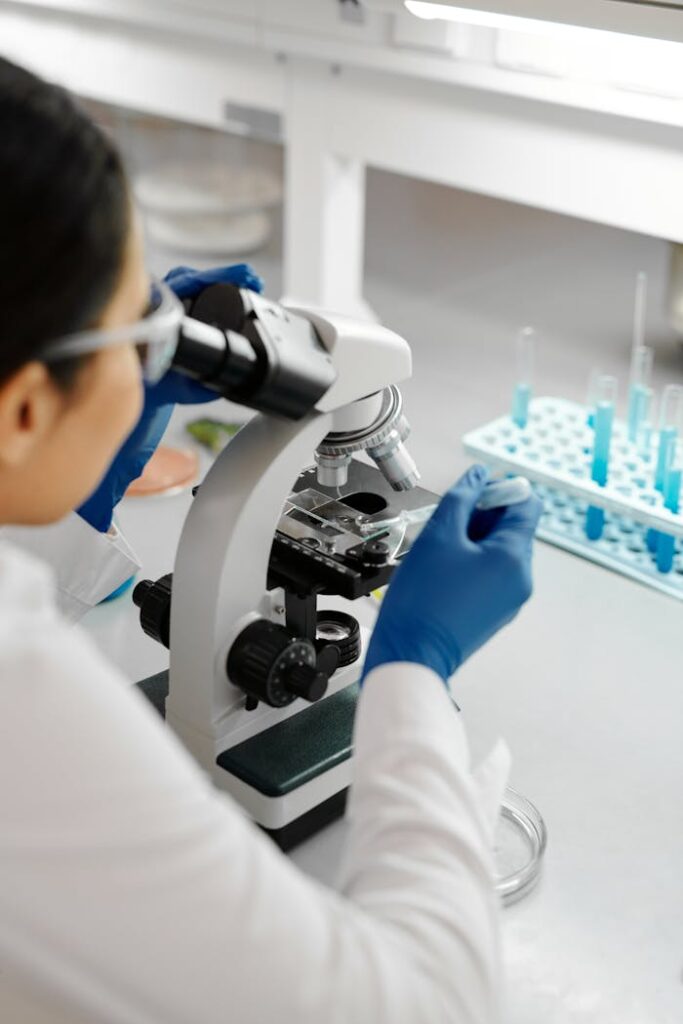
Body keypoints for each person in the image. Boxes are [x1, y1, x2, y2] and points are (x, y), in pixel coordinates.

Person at [0, 56, 542, 1024]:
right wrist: (412, 672)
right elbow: (425, 1005)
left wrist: (88, 485)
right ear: (25, 410)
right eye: (132, 328)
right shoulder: (26, 709)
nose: (156, 350)